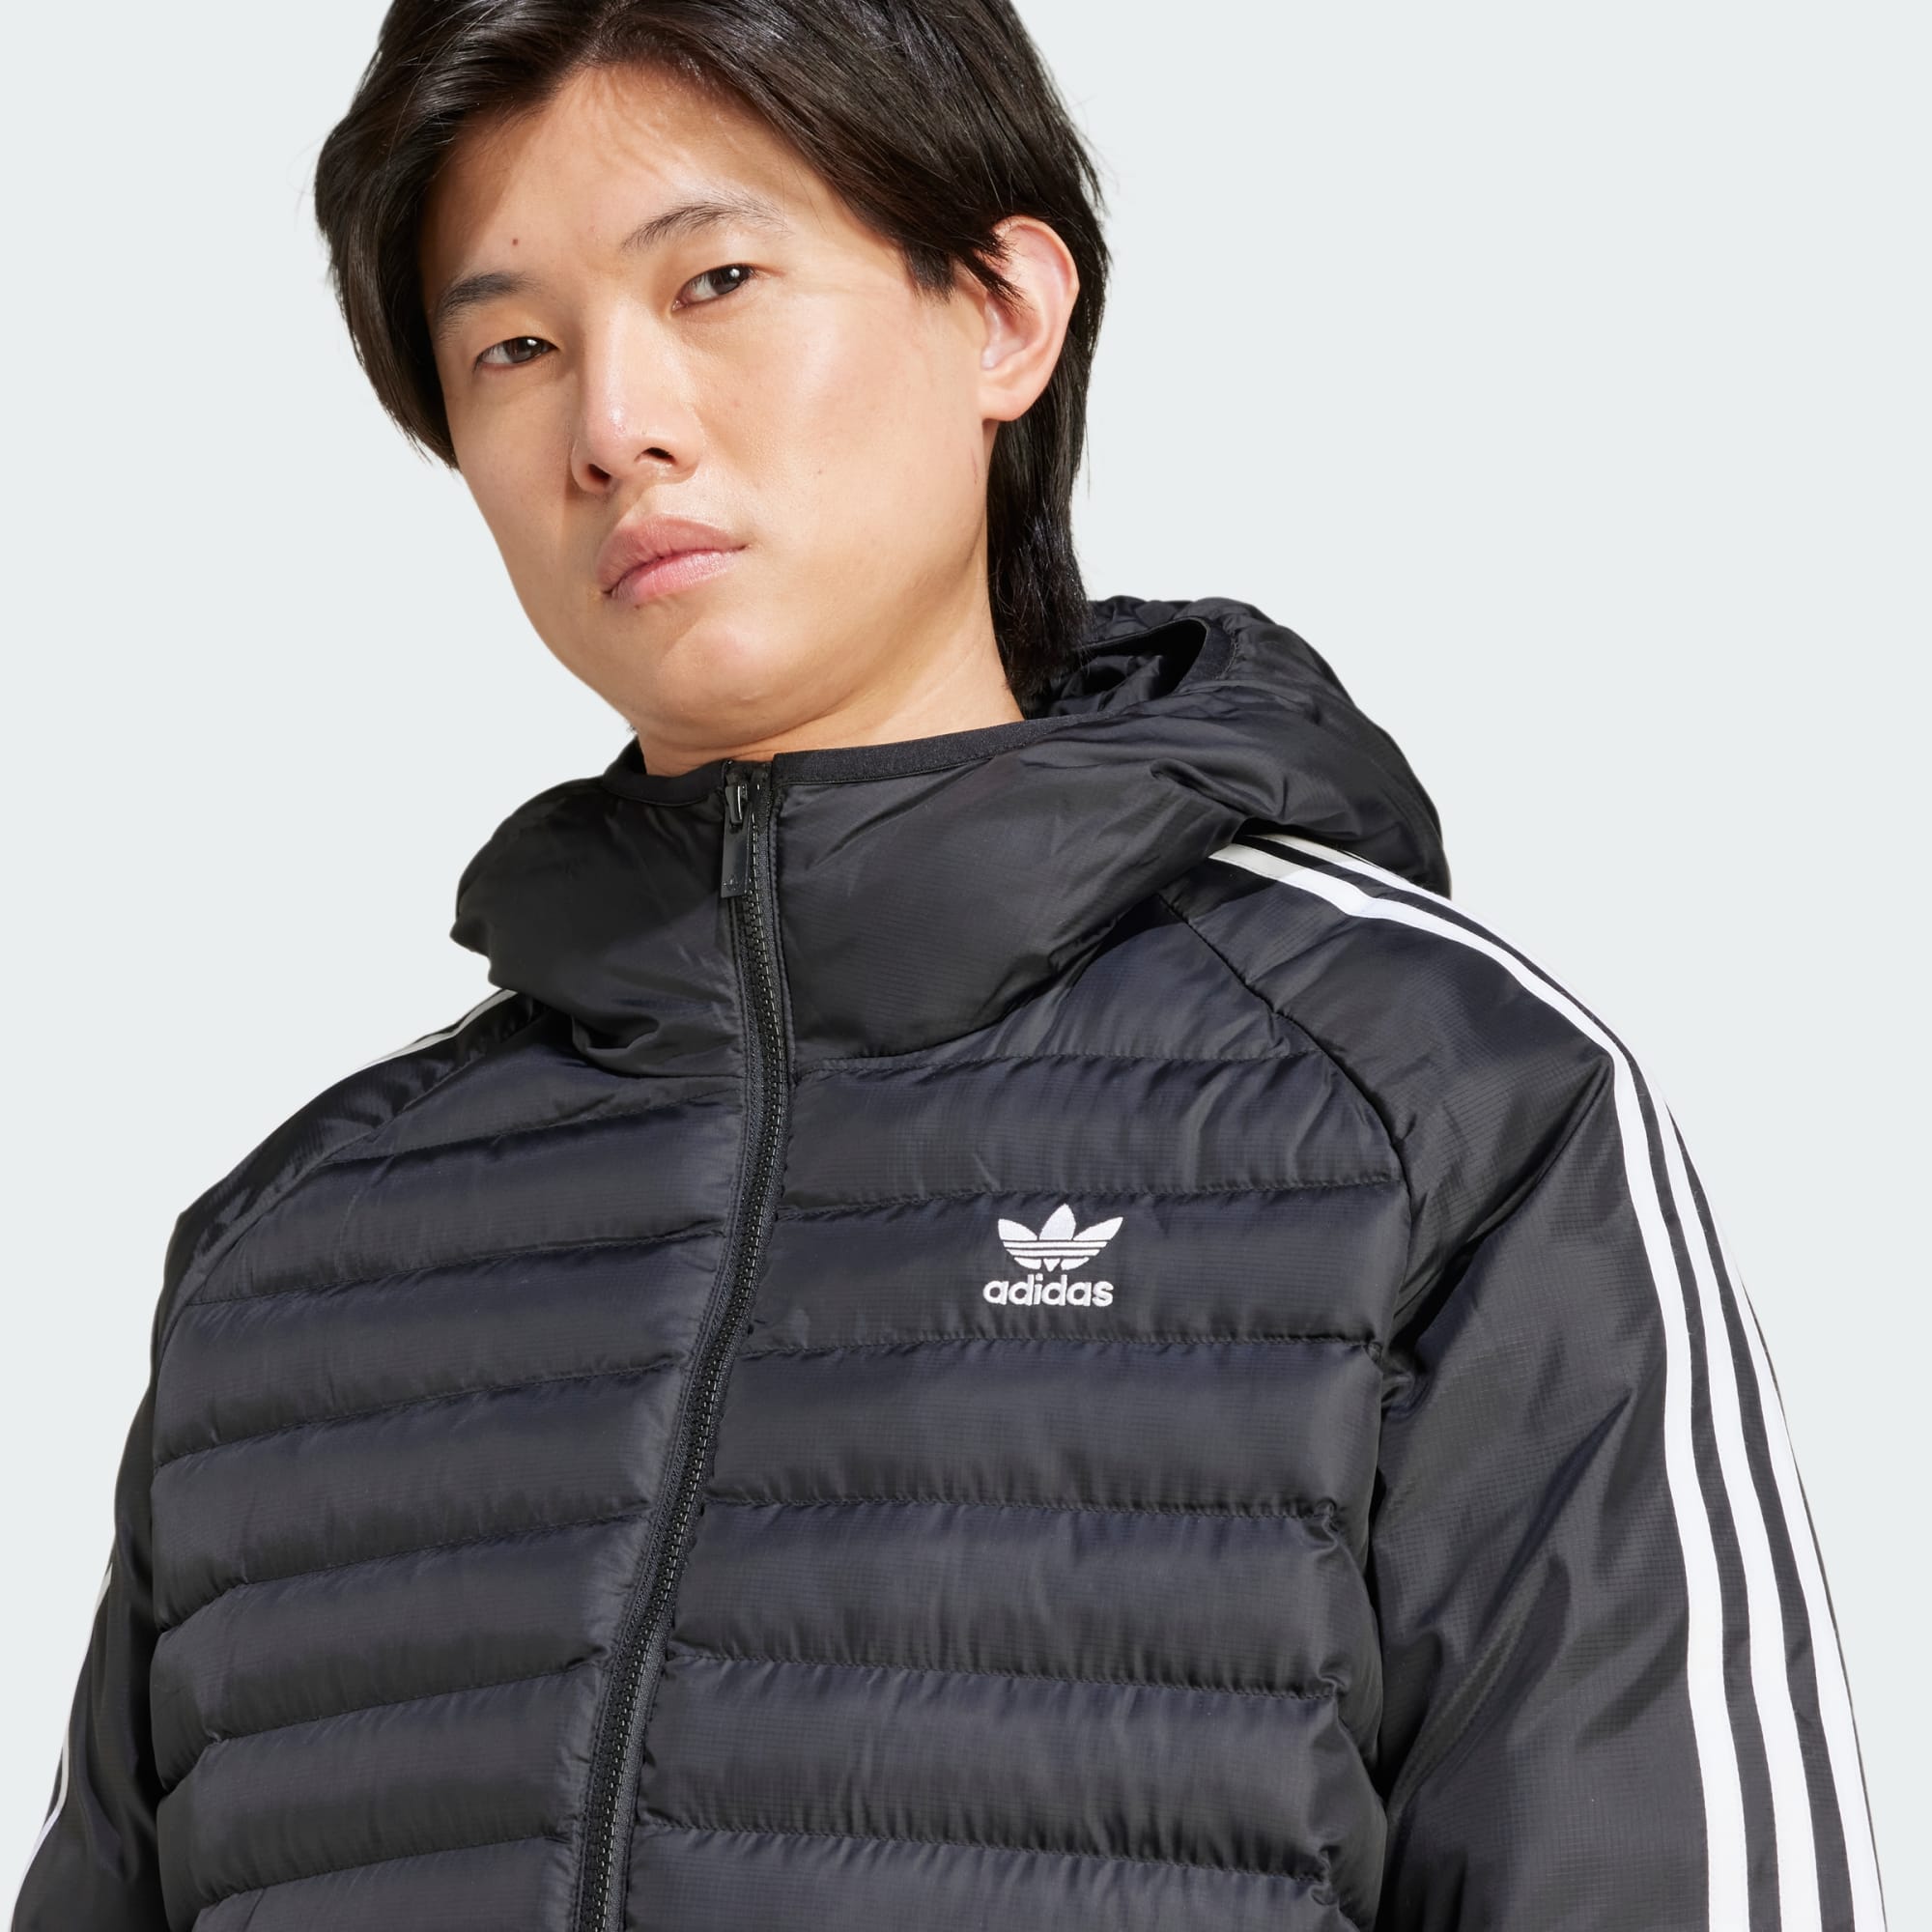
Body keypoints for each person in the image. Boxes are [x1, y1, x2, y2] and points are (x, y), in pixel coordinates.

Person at [11, 3, 1887, 1929]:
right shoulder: (295, 1258)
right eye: (515, 347)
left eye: (716, 281)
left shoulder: (1435, 1111)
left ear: (1002, 312)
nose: (614, 422)